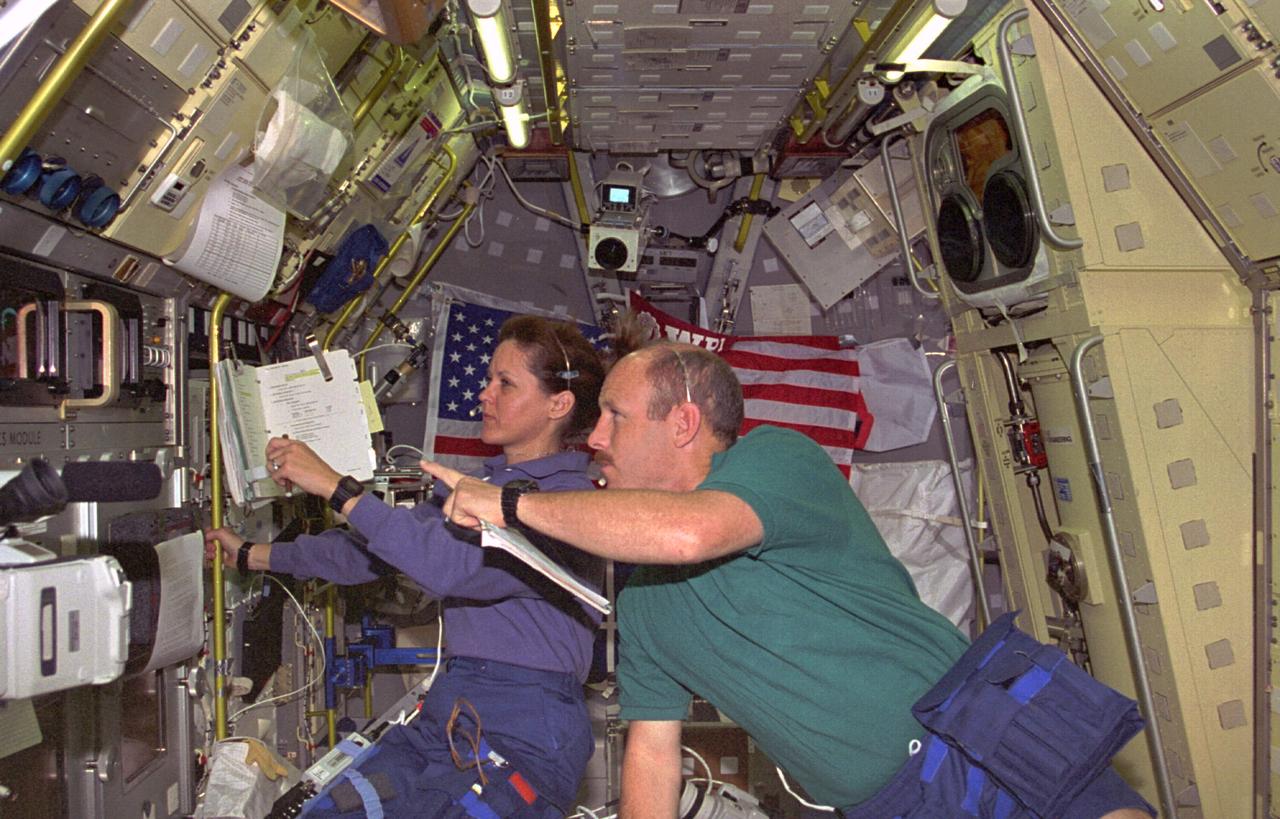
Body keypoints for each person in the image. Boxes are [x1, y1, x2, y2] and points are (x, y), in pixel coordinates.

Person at [424, 324, 1157, 819]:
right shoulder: (643, 601)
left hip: (974, 733)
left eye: (614, 416)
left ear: (681, 423)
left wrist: (510, 504)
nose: (595, 437)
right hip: (887, 802)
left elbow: (693, 531)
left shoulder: (776, 458)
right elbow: (651, 747)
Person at [205, 315, 606, 818]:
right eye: (487, 380)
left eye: (505, 383)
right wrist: (251, 554)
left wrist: (337, 487)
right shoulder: (482, 488)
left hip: (525, 728)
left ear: (559, 404)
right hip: (453, 711)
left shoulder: (567, 506)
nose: (485, 395)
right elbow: (368, 551)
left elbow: (450, 567)